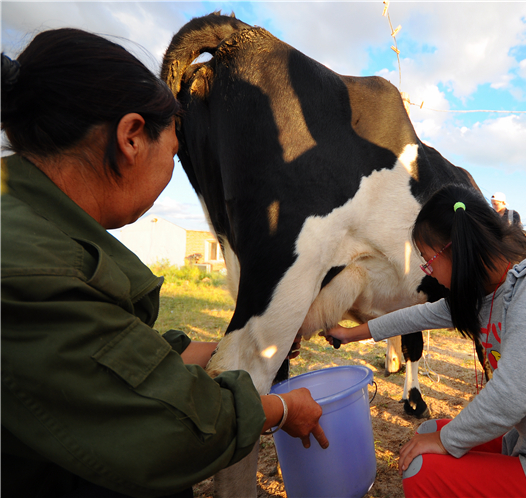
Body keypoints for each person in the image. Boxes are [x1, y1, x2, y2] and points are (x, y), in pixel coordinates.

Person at [1, 29, 327, 498]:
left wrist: (235, 346)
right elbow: (171, 430)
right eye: (174, 152)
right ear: (132, 137)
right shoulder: (36, 271)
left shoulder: (32, 230)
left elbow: (118, 353)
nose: (172, 171)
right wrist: (279, 410)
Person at [322, 184, 526, 498]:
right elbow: (414, 316)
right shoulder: (485, 295)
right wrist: (349, 334)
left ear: (456, 248)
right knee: (427, 433)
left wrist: (449, 440)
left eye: (428, 259)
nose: (429, 272)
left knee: (422, 469)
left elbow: (514, 392)